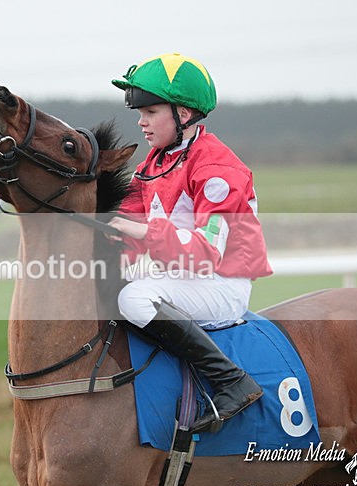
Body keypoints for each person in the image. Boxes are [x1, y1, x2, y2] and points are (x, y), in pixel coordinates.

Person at [108, 52, 272, 431]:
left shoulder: (217, 169)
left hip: (220, 284)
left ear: (183, 113)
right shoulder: (154, 163)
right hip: (185, 278)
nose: (141, 122)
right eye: (140, 112)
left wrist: (146, 234)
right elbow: (128, 225)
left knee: (134, 299)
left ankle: (231, 381)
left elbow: (206, 252)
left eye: (150, 111)